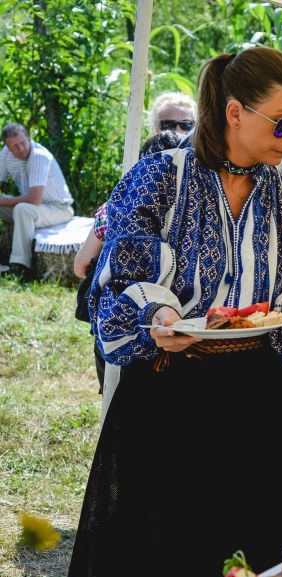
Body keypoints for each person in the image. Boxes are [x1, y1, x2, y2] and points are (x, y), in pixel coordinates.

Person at [61, 47, 282, 577]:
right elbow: (115, 281)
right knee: (174, 571)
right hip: (172, 399)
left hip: (265, 400)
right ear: (236, 112)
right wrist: (157, 321)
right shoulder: (161, 176)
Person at [73, 130, 183, 397]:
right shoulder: (188, 208)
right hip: (174, 326)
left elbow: (81, 264)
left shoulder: (116, 206)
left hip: (122, 321)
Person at [0, 123, 74, 280]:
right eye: (15, 146)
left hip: (59, 209)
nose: (21, 148)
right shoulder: (6, 154)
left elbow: (34, 199)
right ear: (7, 146)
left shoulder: (39, 156)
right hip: (34, 208)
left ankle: (20, 266)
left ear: (29, 138)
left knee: (22, 209)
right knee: (20, 208)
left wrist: (2, 201)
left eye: (23, 143)